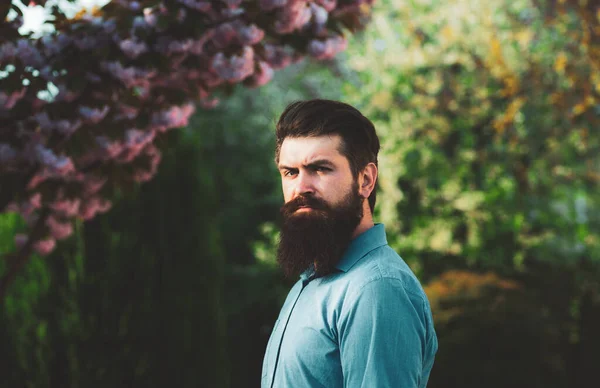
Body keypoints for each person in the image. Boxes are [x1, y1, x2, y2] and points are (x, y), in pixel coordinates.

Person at [261, 99, 438, 388]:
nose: (300, 188)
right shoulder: (314, 279)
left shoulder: (376, 289)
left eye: (319, 168)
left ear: (365, 180)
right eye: (290, 172)